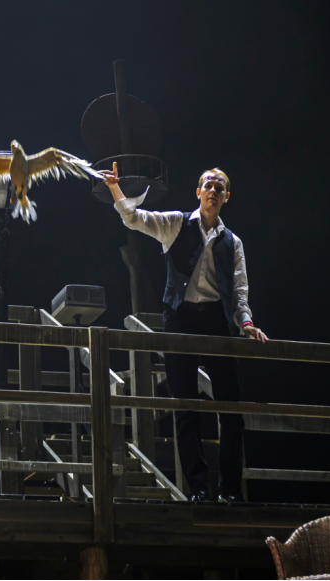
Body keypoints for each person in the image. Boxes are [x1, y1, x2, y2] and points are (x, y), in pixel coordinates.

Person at [103, 162, 267, 503]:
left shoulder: (232, 242)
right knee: (185, 405)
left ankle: (231, 491)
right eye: (208, 185)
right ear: (198, 192)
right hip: (180, 317)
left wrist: (246, 323)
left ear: (226, 197)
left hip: (217, 320)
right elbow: (134, 219)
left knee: (232, 408)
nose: (213, 191)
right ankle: (199, 489)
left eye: (219, 187)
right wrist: (116, 189)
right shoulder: (176, 223)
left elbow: (239, 292)